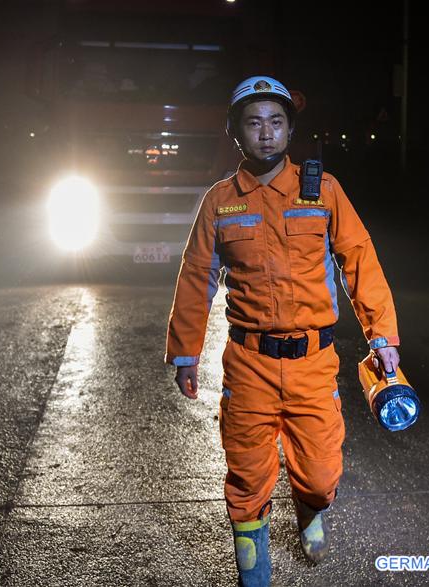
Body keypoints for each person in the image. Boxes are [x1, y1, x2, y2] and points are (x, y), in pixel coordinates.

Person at [165, 76, 401, 585]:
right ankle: (254, 566)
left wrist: (382, 337)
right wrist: (185, 353)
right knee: (247, 473)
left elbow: (360, 261)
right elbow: (196, 277)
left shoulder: (323, 191)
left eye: (276, 121)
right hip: (248, 364)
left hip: (313, 363)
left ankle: (311, 508)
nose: (265, 133)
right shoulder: (219, 202)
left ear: (290, 130)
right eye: (253, 123)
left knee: (319, 475)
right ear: (236, 134)